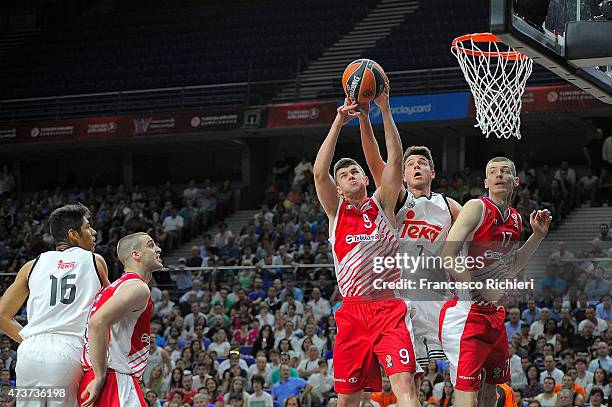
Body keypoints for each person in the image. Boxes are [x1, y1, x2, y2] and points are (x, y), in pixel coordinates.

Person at [313, 82, 420, 406]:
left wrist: (384, 111)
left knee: (404, 386)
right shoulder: (336, 210)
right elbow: (319, 173)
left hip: (389, 307)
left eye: (355, 170)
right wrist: (338, 121)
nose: (350, 175)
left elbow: (396, 160)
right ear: (340, 187)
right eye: (344, 174)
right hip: (353, 312)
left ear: (364, 178)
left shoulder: (382, 204)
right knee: (347, 401)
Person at [440, 157, 552, 407]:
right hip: (465, 315)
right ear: (486, 181)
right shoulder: (476, 207)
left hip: (493, 315)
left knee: (492, 392)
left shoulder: (514, 219)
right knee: (467, 395)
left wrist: (537, 236)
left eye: (505, 171)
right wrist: (480, 285)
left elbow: (511, 267)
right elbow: (446, 255)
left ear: (516, 180)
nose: (499, 175)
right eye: (493, 171)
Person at [360, 122, 462, 368]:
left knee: (460, 376)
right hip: (403, 302)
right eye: (410, 165)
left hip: (441, 301)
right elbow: (376, 163)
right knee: (409, 379)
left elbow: (477, 239)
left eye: (423, 163)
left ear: (433, 173)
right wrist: (366, 119)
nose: (417, 166)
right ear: (402, 175)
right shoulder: (397, 201)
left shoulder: (449, 206)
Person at [0, 204, 110, 407]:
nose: (93, 232)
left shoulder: (31, 265)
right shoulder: (95, 261)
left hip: (29, 353)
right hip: (68, 351)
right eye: (87, 227)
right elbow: (110, 311)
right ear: (73, 234)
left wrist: (28, 339)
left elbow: (2, 315)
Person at [79, 232, 163, 407]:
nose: (158, 249)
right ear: (135, 254)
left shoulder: (116, 287)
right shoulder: (137, 287)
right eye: (151, 245)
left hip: (96, 376)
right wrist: (100, 375)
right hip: (111, 378)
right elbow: (97, 323)